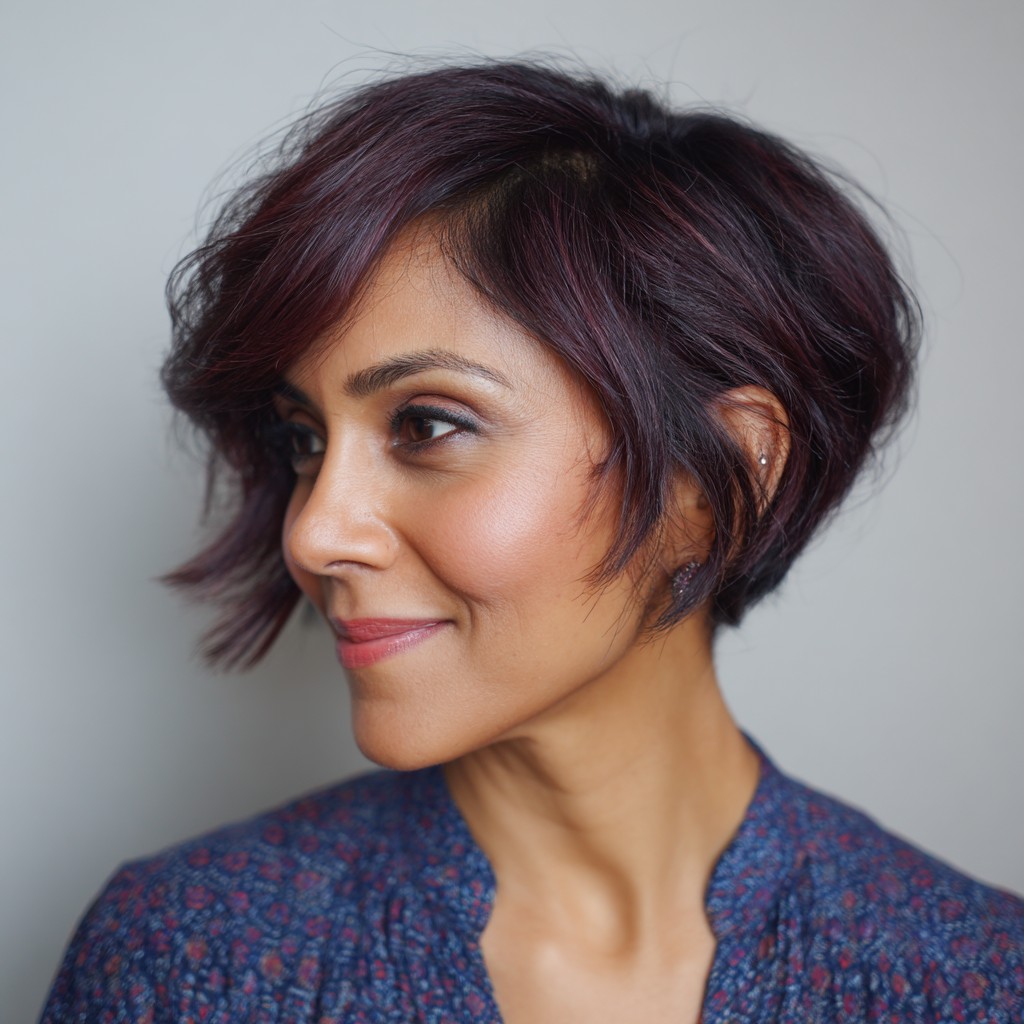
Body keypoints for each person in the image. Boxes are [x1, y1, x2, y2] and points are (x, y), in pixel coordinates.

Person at [39, 60, 1023, 1023]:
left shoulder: (973, 977)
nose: (315, 532)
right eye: (305, 441)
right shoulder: (188, 955)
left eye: (426, 425)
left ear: (717, 472)